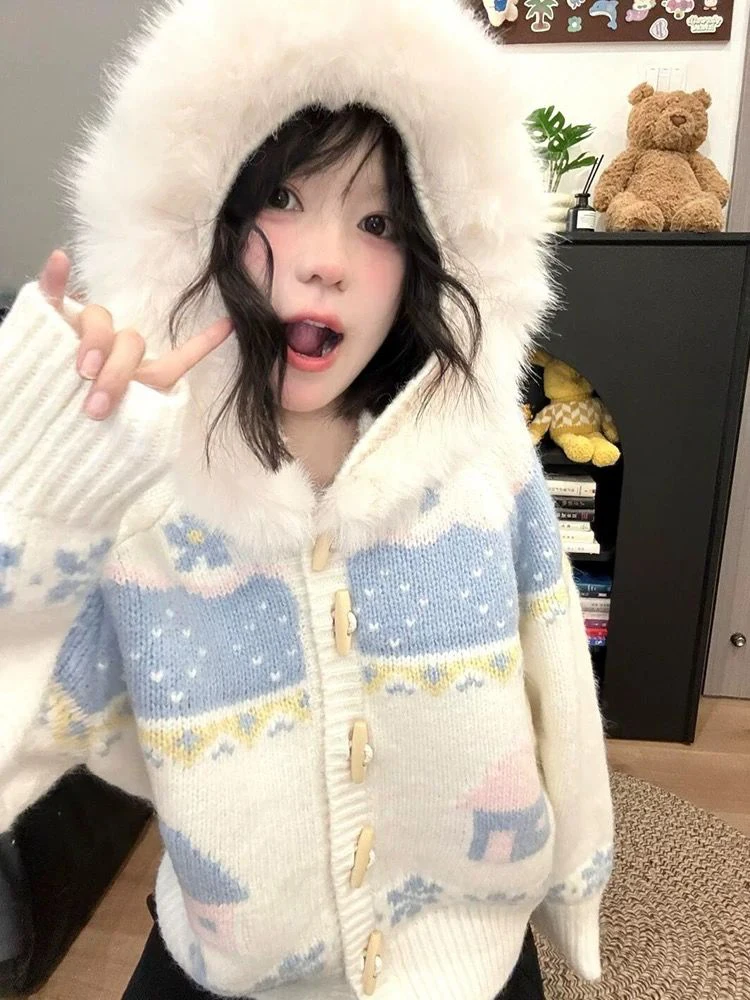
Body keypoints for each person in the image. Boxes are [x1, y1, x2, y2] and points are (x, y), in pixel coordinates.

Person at [0, 1, 615, 998]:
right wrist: (39, 493)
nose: (327, 259)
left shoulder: (484, 457)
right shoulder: (137, 492)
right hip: (219, 976)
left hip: (475, 974)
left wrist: (578, 888)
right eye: (282, 197)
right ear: (200, 215)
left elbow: (560, 681)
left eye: (379, 221)